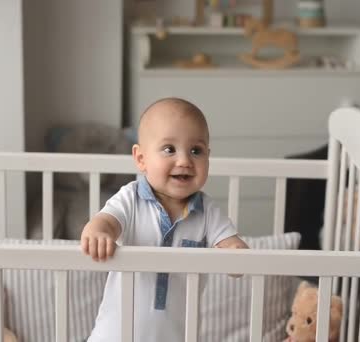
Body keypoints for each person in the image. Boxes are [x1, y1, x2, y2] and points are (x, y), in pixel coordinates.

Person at [81, 97, 248, 341]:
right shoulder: (131, 198)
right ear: (141, 159)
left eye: (196, 151)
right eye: (169, 149)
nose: (184, 161)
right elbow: (107, 221)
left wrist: (238, 255)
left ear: (208, 158)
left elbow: (231, 245)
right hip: (115, 335)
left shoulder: (208, 212)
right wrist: (98, 231)